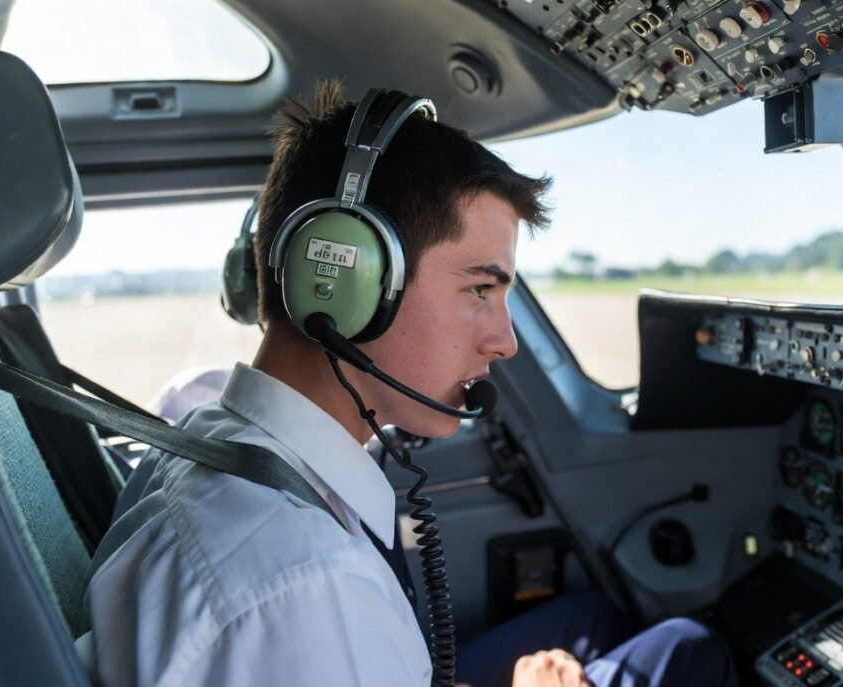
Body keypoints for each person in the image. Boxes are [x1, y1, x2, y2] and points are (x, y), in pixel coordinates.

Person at [82, 82, 736, 687]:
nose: (505, 341)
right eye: (480, 288)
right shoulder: (308, 589)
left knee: (593, 612)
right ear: (343, 283)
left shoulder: (208, 439)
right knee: (685, 645)